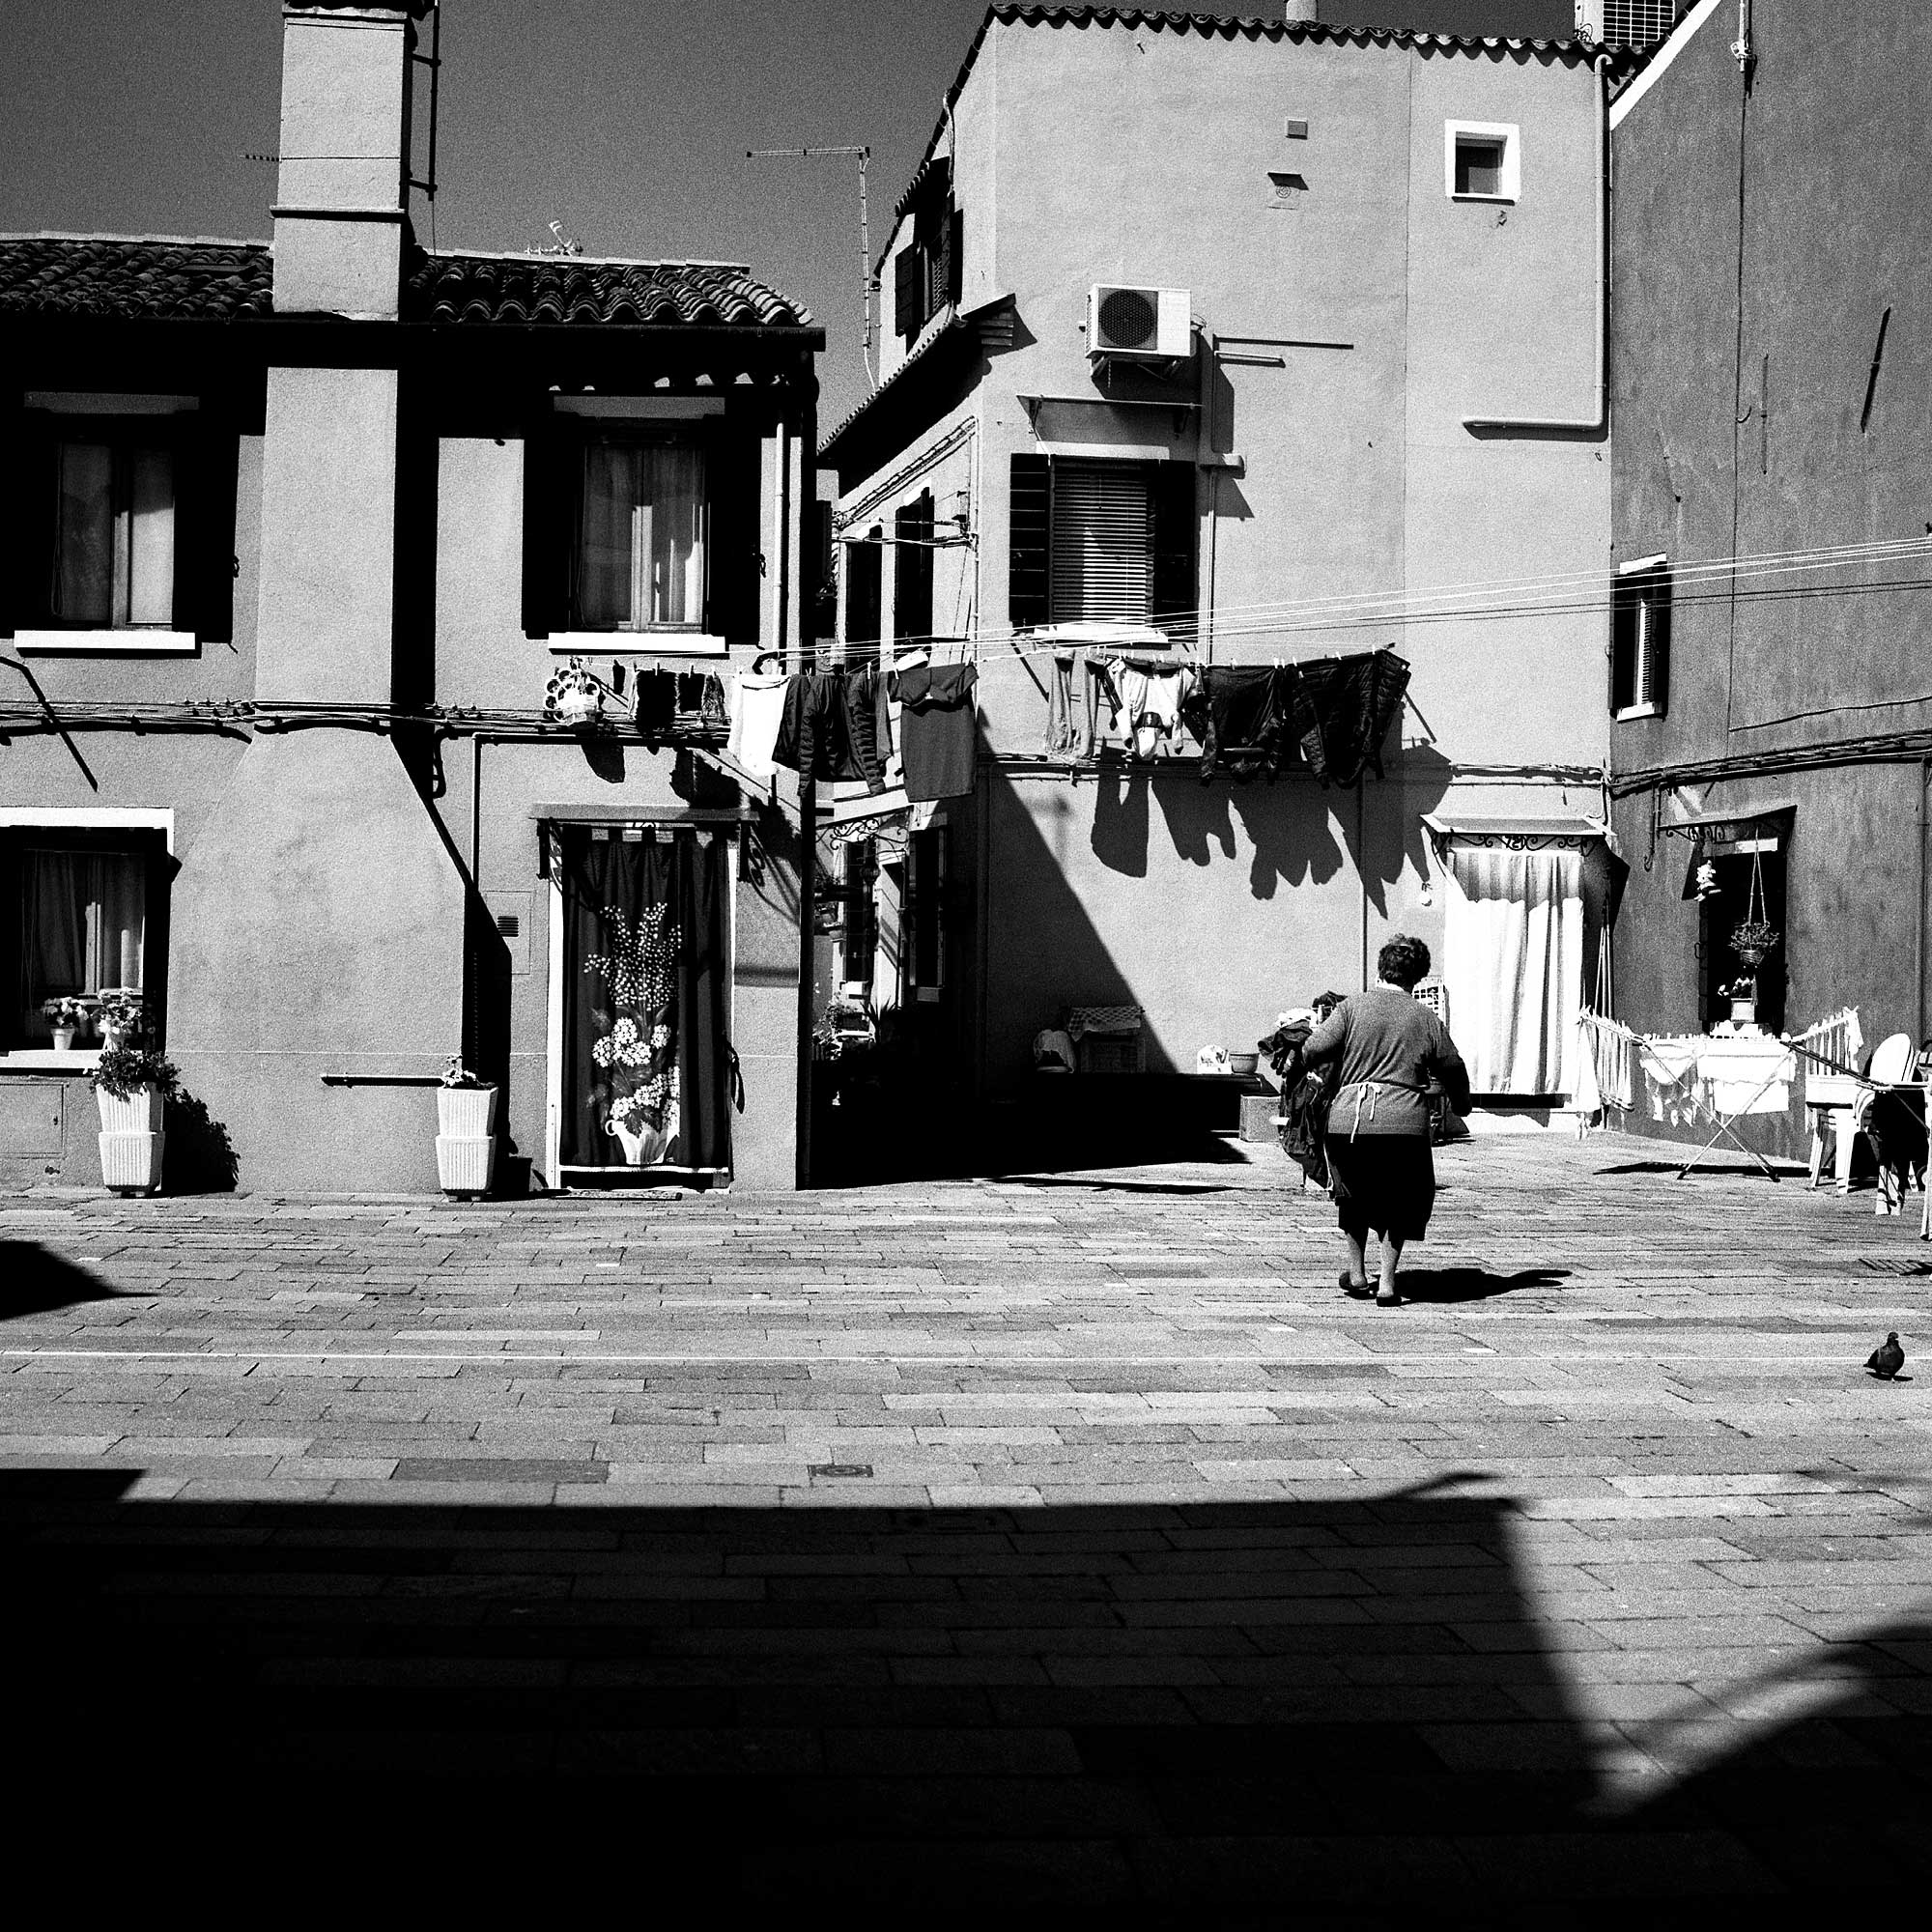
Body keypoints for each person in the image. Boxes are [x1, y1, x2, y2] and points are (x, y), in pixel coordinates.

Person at [1301, 935, 1471, 1306]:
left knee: (1353, 1194)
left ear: (1381, 969)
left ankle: (1358, 1273)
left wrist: (1335, 1067)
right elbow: (1453, 1066)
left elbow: (1312, 1048)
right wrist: (1463, 1103)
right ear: (1419, 976)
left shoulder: (1350, 1008)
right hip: (1404, 1123)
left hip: (1350, 1121)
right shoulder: (1425, 1018)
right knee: (1401, 1198)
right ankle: (1389, 1283)